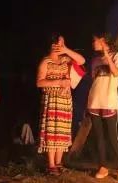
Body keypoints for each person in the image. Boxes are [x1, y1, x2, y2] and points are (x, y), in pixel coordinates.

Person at [36, 34, 85, 174]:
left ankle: (59, 163)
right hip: (52, 99)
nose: (62, 46)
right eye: (60, 43)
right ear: (53, 45)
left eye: (64, 43)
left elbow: (82, 61)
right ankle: (51, 164)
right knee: (52, 131)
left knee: (62, 131)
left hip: (65, 100)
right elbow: (39, 82)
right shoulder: (45, 62)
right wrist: (59, 82)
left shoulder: (66, 59)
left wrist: (67, 50)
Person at [86, 34, 118, 181]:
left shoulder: (117, 55)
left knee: (112, 135)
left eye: (95, 40)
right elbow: (94, 81)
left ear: (104, 41)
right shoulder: (95, 60)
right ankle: (103, 166)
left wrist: (106, 56)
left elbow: (116, 73)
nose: (93, 43)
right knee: (99, 136)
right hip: (95, 100)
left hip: (109, 101)